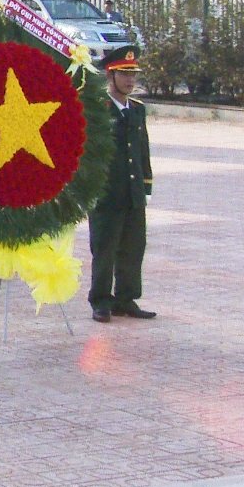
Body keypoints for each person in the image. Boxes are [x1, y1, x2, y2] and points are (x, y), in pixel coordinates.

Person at [90, 48, 155, 324]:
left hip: (132, 192)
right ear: (111, 75)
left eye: (133, 74)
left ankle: (126, 298)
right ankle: (101, 301)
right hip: (106, 193)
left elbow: (142, 151)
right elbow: (88, 152)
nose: (130, 80)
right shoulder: (98, 109)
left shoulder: (137, 110)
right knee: (105, 248)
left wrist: (146, 187)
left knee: (133, 247)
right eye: (124, 74)